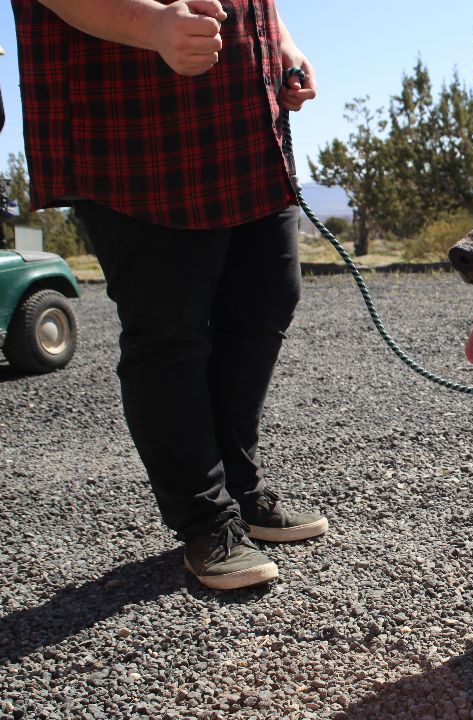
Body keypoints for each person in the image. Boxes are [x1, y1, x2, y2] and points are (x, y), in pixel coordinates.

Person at [12, 0, 328, 590]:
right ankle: (206, 520)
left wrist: (279, 38)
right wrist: (153, 25)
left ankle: (240, 487)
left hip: (247, 118)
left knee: (266, 298)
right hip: (133, 128)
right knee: (171, 331)